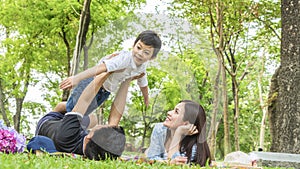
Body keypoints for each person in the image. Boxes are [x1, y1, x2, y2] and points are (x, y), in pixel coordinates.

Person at [59, 30, 162, 126]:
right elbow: (101, 68)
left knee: (83, 114)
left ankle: (63, 119)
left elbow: (143, 84)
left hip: (105, 92)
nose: (140, 53)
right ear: (133, 45)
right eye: (138, 48)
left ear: (152, 57)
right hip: (92, 83)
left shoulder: (141, 68)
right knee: (73, 110)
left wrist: (146, 99)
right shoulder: (124, 58)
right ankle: (58, 113)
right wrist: (76, 78)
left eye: (146, 52)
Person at [33, 72, 134, 160]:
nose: (103, 124)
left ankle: (67, 114)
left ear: (90, 136)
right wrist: (127, 81)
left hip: (48, 122)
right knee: (93, 119)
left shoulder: (68, 134)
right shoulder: (98, 151)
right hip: (69, 133)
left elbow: (85, 100)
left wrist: (107, 71)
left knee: (63, 107)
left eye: (102, 127)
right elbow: (115, 118)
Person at [146, 100, 211, 166]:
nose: (169, 112)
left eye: (176, 112)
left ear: (186, 124)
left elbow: (176, 166)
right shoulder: (160, 129)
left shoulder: (193, 147)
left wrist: (178, 133)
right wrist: (169, 162)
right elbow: (151, 158)